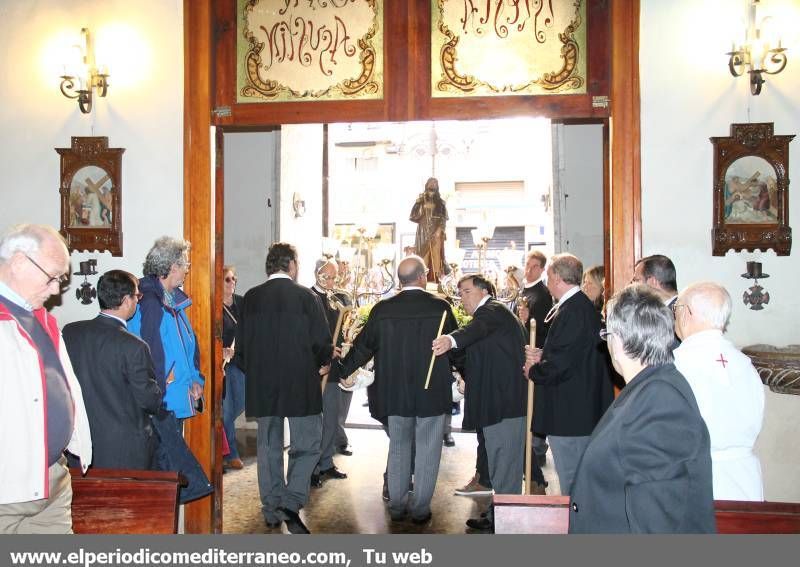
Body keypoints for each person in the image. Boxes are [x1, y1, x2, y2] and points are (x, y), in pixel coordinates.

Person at [568, 284, 716, 533]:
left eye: (608, 335)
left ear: (619, 339)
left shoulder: (661, 402)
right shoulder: (647, 388)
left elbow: (657, 522)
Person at [338, 256, 457, 525]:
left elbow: (362, 346)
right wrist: (467, 376)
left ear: (400, 280)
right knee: (428, 450)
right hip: (431, 392)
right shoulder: (440, 308)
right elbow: (455, 347)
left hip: (394, 392)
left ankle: (397, 505)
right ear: (423, 277)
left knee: (399, 447)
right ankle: (420, 509)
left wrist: (342, 369)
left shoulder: (382, 309)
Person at [235, 242, 333, 535]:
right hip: (301, 383)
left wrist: (256, 373)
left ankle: (271, 509)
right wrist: (323, 363)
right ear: (291, 265)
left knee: (268, 448)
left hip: (263, 385)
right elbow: (321, 341)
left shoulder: (251, 298)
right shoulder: (305, 297)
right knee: (307, 445)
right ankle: (292, 503)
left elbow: (241, 349)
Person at [0, 223, 92, 533]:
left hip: (53, 479)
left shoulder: (39, 317)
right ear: (19, 262)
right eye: (52, 277)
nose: (55, 290)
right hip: (7, 489)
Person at [432, 274, 527, 533]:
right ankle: (499, 515)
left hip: (505, 404)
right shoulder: (490, 316)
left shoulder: (492, 311)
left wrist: (450, 339)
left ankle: (506, 523)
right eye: (460, 292)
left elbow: (474, 331)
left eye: (466, 291)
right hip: (498, 403)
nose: (461, 297)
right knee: (500, 462)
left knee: (505, 464)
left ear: (484, 290)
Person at [524, 253, 614, 496]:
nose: (548, 281)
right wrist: (544, 356)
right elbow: (572, 353)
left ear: (557, 278)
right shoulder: (578, 307)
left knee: (572, 481)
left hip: (571, 413)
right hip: (577, 408)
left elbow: (563, 364)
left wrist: (534, 370)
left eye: (549, 276)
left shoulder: (573, 311)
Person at [673, 281, 765, 500]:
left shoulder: (678, 366)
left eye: (676, 309)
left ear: (687, 313)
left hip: (699, 478)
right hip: (745, 478)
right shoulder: (745, 365)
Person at [63, 270, 162, 469]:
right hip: (124, 449)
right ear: (126, 300)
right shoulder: (135, 346)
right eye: (137, 296)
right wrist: (160, 387)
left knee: (85, 500)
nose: (138, 301)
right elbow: (149, 401)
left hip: (80, 442)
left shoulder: (70, 332)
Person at [128, 236, 204, 420]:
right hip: (162, 403)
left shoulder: (172, 300)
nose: (187, 269)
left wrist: (195, 380)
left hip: (175, 396)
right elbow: (148, 352)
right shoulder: (150, 303)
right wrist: (157, 397)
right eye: (186, 263)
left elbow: (187, 349)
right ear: (173, 267)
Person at [514, 250, 553, 493]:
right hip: (526, 351)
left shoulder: (543, 295)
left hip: (537, 353)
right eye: (527, 264)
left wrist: (528, 319)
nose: (528, 268)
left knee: (537, 401)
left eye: (533, 265)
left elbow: (541, 326)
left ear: (541, 269)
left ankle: (538, 447)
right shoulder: (524, 290)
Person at [310, 259, 351, 485]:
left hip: (333, 368)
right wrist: (322, 354)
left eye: (334, 277)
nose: (330, 281)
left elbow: (342, 329)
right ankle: (313, 467)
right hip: (316, 368)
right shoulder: (308, 297)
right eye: (326, 276)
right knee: (316, 420)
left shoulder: (336, 299)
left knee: (332, 418)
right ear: (316, 274)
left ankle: (326, 462)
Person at [221, 265, 246, 470]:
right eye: (228, 279)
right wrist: (220, 350)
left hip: (241, 361)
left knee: (242, 402)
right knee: (228, 409)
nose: (232, 283)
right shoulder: (213, 306)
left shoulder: (241, 303)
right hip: (224, 365)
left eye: (234, 279)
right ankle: (230, 453)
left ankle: (222, 443)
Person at [409, 177, 449, 283]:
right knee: (423, 255)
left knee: (436, 255)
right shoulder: (421, 201)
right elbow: (414, 215)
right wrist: (421, 205)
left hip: (436, 231)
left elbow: (443, 218)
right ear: (427, 185)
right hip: (423, 231)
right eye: (431, 183)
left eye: (435, 183)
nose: (433, 185)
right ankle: (423, 278)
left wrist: (439, 230)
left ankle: (437, 278)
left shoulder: (441, 203)